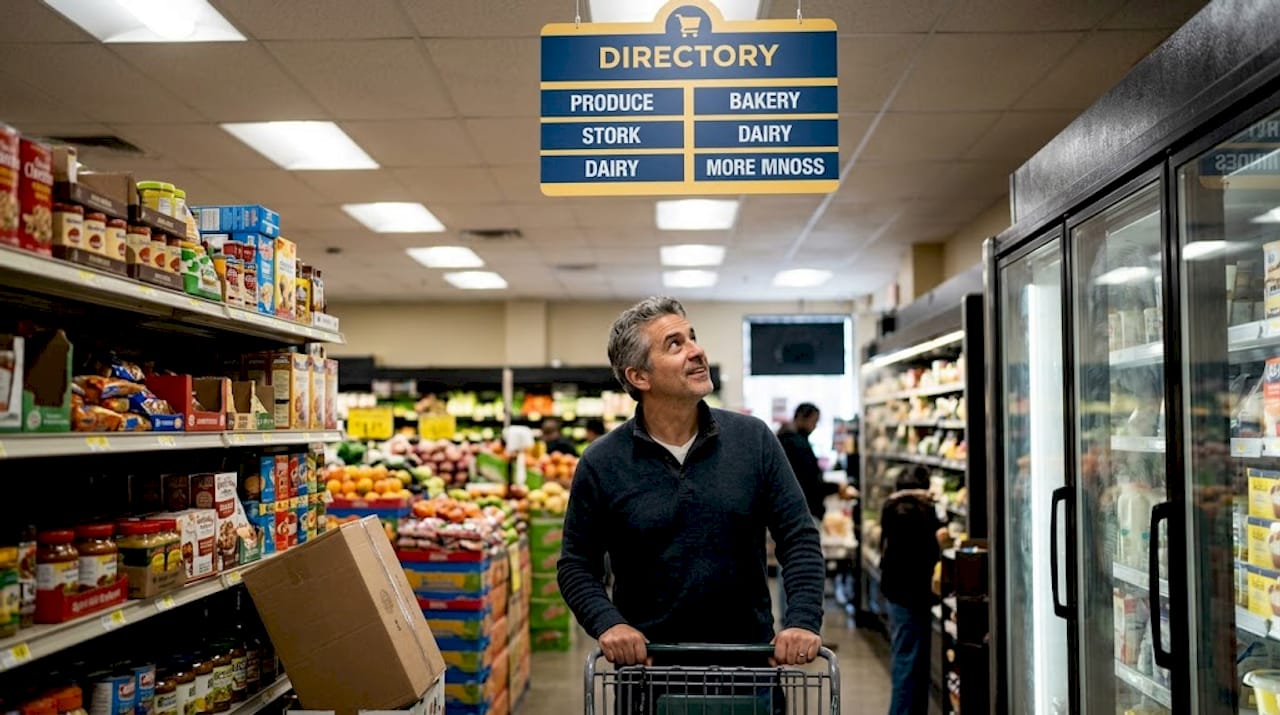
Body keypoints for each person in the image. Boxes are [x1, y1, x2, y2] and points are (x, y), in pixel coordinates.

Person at [557, 296, 825, 676]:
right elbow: (577, 565)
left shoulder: (753, 440)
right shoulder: (602, 462)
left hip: (747, 669)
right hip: (648, 674)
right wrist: (608, 623)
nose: (697, 351)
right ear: (639, 377)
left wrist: (802, 619)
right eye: (675, 344)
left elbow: (798, 538)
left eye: (693, 337)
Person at [879, 465, 950, 715]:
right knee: (909, 664)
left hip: (898, 594)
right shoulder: (918, 512)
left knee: (911, 662)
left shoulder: (891, 507)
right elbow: (933, 547)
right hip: (912, 596)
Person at [773, 403, 838, 628]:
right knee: (802, 564)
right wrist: (836, 489)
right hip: (804, 512)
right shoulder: (797, 444)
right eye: (814, 421)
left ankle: (789, 620)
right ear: (803, 418)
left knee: (788, 566)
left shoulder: (783, 440)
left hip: (785, 514)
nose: (814, 426)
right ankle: (798, 624)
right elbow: (811, 483)